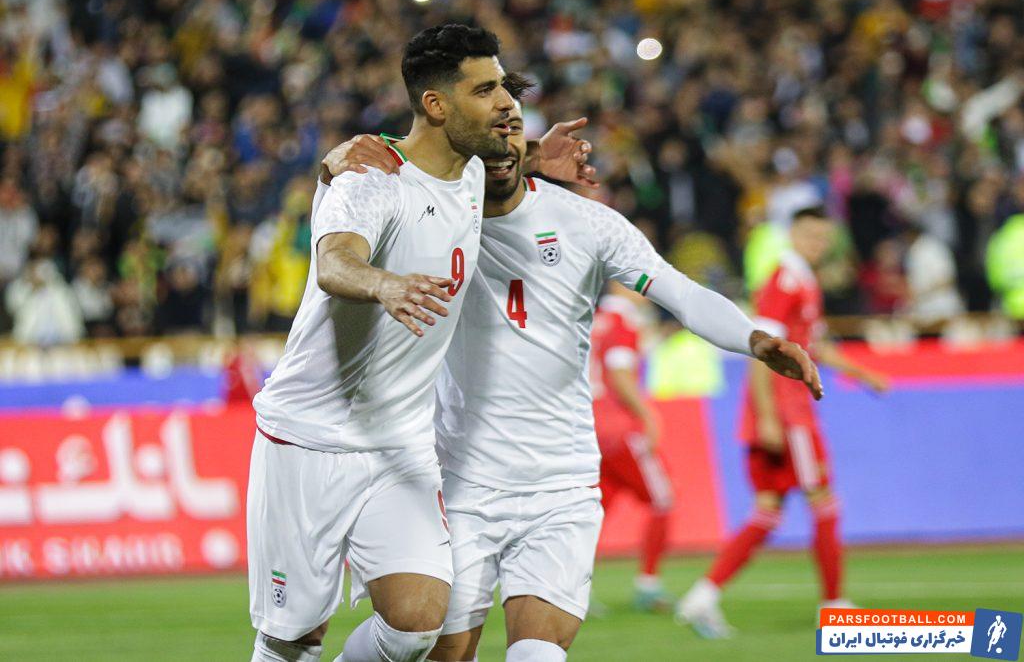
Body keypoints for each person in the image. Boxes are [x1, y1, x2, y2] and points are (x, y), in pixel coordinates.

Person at [325, 97, 822, 662]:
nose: (503, 142)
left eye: (514, 130)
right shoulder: (432, 216)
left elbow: (679, 292)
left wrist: (755, 339)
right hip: (461, 485)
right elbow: (368, 190)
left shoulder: (586, 223)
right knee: (427, 648)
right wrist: (334, 165)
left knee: (538, 655)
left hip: (561, 488)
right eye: (490, 131)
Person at [247, 25, 588, 662]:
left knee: (417, 625)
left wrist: (541, 157)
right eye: (484, 90)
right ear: (435, 104)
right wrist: (384, 284)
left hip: (400, 443)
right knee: (294, 638)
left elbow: (497, 160)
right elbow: (334, 262)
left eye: (504, 87)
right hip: (309, 438)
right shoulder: (370, 177)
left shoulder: (472, 173)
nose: (506, 103)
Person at [677, 206, 889, 639]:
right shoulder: (785, 280)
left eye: (824, 237)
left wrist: (863, 374)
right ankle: (834, 604)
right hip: (787, 414)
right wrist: (768, 417)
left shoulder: (803, 280)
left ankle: (702, 597)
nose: (818, 244)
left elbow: (814, 346)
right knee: (824, 501)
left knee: (768, 512)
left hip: (783, 413)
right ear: (793, 235)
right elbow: (763, 350)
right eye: (810, 235)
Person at [591, 285, 674, 611]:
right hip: (620, 429)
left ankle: (570, 586)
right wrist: (647, 415)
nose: (644, 288)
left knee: (596, 509)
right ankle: (648, 585)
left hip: (592, 427)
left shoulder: (596, 319)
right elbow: (619, 373)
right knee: (663, 498)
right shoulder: (623, 321)